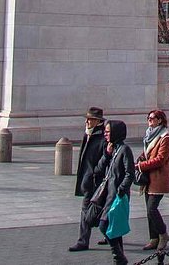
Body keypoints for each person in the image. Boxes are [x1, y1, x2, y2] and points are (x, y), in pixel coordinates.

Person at [95, 119, 135, 265]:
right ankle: (119, 258)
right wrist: (106, 154)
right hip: (108, 194)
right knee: (114, 229)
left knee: (104, 225)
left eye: (108, 131)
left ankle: (119, 257)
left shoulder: (125, 150)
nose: (105, 134)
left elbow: (130, 173)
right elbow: (98, 169)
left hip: (117, 195)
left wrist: (122, 189)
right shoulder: (111, 148)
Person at [68, 107, 106, 252]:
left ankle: (83, 241)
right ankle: (110, 236)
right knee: (98, 210)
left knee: (89, 211)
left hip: (96, 181)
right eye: (87, 119)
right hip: (87, 180)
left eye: (90, 119)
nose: (87, 122)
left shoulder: (102, 138)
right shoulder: (88, 135)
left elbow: (105, 159)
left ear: (97, 121)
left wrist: (95, 172)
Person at [136, 108, 169, 251]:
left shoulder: (165, 138)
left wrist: (141, 165)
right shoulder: (149, 136)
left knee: (152, 209)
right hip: (148, 179)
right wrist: (141, 158)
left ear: (160, 120)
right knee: (148, 210)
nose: (149, 121)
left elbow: (160, 159)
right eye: (148, 118)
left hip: (158, 179)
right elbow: (148, 153)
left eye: (152, 118)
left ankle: (163, 234)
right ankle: (153, 238)